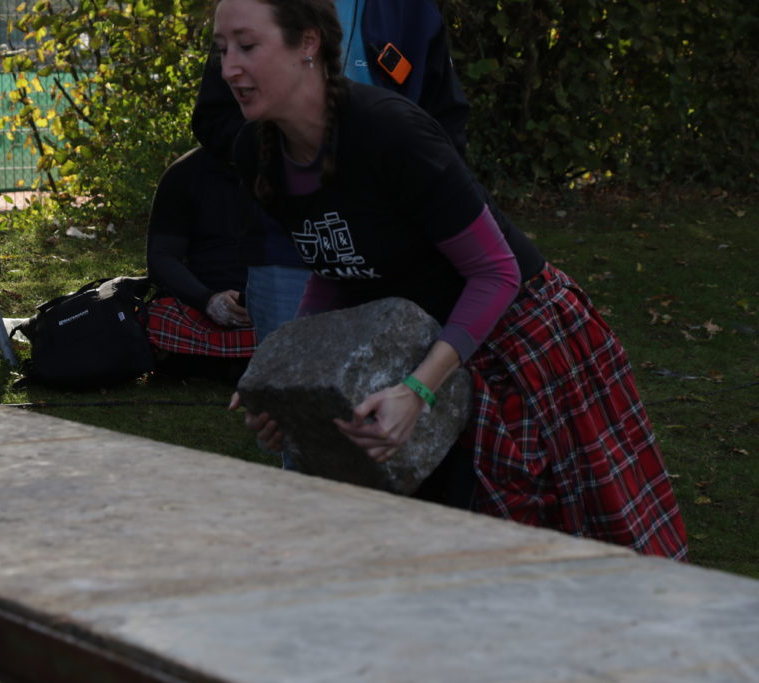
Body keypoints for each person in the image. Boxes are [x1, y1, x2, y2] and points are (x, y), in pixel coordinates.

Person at [213, 0, 688, 559]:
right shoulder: (257, 152)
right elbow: (334, 266)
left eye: (247, 46)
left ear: (308, 44)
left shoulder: (391, 132)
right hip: (421, 344)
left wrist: (418, 390)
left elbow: (496, 272)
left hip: (517, 341)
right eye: (222, 50)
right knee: (429, 555)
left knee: (551, 553)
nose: (229, 68)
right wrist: (288, 382)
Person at [193, 0, 471, 342]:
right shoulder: (252, 9)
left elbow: (446, 117)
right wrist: (289, 154)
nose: (230, 66)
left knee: (402, 368)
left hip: (401, 246)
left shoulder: (409, 9)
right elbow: (214, 118)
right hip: (291, 248)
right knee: (293, 368)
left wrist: (437, 205)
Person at [145, 146, 260, 383]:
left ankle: (226, 362)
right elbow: (162, 257)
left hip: (279, 300)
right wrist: (208, 300)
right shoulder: (184, 173)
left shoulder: (293, 169)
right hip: (201, 308)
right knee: (156, 317)